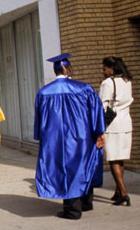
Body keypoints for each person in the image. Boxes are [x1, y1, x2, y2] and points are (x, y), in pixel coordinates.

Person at [34, 53, 105, 220]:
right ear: (68, 69)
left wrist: (41, 136)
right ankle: (85, 204)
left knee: (65, 170)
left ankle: (72, 209)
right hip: (82, 137)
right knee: (83, 166)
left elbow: (39, 118)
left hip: (56, 139)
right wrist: (99, 132)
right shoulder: (84, 88)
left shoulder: (44, 92)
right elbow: (97, 112)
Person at [99, 56, 133, 206]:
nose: (103, 70)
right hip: (126, 122)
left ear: (111, 69)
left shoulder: (107, 83)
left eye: (104, 68)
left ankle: (123, 193)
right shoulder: (127, 81)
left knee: (113, 158)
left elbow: (102, 105)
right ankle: (118, 191)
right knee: (120, 158)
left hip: (112, 125)